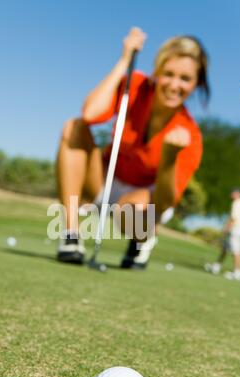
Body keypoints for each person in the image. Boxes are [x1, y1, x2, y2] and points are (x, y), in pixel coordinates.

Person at [56, 27, 210, 268]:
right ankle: (71, 236)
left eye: (185, 79)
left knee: (132, 210)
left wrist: (170, 157)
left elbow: (165, 200)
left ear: (197, 83)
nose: (173, 85)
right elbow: (90, 114)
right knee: (73, 127)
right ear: (157, 73)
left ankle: (140, 241)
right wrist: (125, 58)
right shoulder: (135, 87)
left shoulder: (190, 136)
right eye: (168, 74)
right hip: (104, 182)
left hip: (143, 202)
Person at [205, 188, 240, 280]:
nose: (231, 194)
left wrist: (226, 228)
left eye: (232, 193)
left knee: (236, 251)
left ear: (238, 193)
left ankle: (237, 273)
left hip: (236, 229)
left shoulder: (237, 203)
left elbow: (233, 218)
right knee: (225, 248)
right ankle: (216, 267)